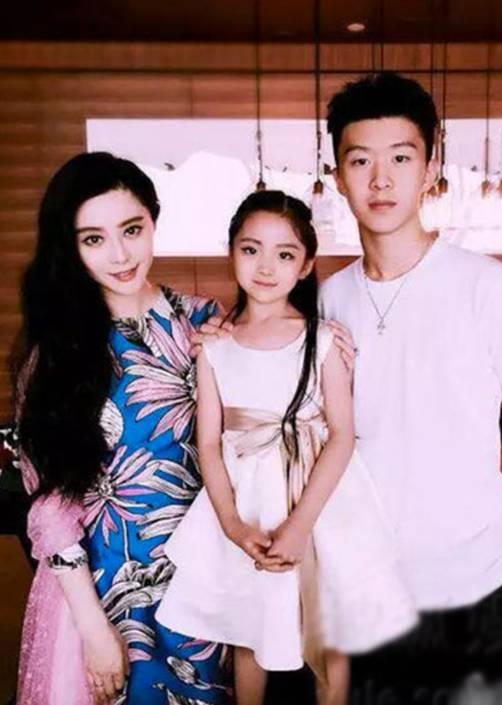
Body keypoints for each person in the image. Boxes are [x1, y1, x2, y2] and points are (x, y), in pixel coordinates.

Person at [156, 190, 418, 705]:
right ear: (231, 252)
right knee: (249, 630)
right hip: (248, 505)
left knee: (329, 629)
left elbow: (341, 435)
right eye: (251, 249)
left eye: (284, 254)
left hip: (321, 505)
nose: (265, 267)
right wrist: (233, 525)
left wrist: (299, 525)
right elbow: (208, 442)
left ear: (305, 266)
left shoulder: (324, 340)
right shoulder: (214, 346)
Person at [320, 72, 502, 612]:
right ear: (338, 179)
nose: (381, 180)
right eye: (361, 161)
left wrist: (480, 493)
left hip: (476, 576)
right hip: (363, 578)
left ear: (429, 170)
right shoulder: (331, 297)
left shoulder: (487, 286)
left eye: (400, 158)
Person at [14, 152, 230, 705]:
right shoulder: (58, 352)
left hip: (207, 586)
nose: (119, 254)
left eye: (131, 230)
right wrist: (93, 630)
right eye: (94, 239)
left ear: (153, 220)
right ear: (70, 247)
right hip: (103, 594)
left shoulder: (206, 322)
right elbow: (50, 505)